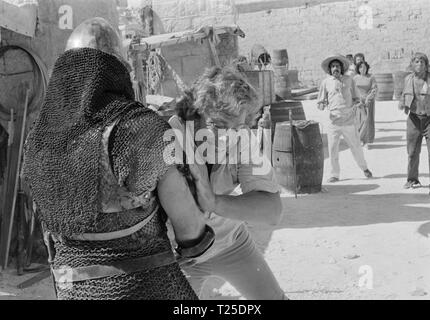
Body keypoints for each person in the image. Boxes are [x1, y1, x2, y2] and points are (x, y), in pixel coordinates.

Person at [22, 17, 215, 300]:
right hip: (147, 287)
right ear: (117, 70)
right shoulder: (142, 129)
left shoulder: (38, 141)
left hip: (74, 292)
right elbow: (190, 231)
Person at [168, 66, 287, 300]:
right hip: (176, 256)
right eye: (218, 125)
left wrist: (214, 203)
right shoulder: (169, 137)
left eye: (238, 126)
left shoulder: (242, 139)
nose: (227, 137)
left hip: (231, 243)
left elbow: (272, 211)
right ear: (196, 113)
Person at [317, 54, 373, 183]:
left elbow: (356, 98)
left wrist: (356, 104)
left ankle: (364, 168)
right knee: (332, 149)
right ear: (329, 69)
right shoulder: (326, 82)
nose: (335, 68)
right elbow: (320, 102)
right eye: (332, 66)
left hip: (348, 120)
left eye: (337, 66)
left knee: (356, 146)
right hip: (333, 121)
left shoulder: (349, 80)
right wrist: (322, 104)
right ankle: (334, 174)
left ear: (341, 68)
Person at [399, 52, 430, 197]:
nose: (419, 64)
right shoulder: (408, 79)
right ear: (412, 65)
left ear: (427, 65)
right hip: (413, 119)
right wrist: (402, 102)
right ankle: (412, 179)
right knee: (412, 152)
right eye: (416, 61)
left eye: (422, 61)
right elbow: (403, 95)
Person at [354, 60, 378, 146]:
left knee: (368, 120)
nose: (362, 69)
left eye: (364, 67)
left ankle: (367, 140)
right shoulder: (355, 78)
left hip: (368, 101)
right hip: (358, 102)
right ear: (358, 68)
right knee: (360, 120)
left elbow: (374, 89)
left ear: (367, 68)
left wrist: (369, 97)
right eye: (360, 67)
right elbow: (353, 90)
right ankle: (360, 139)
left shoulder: (371, 77)